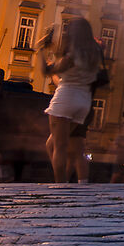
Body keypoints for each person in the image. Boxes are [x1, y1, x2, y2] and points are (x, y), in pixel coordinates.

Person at [38, 15, 102, 184]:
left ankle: (60, 186)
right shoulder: (94, 53)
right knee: (51, 144)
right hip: (83, 103)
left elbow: (47, 71)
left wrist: (40, 50)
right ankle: (65, 182)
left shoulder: (73, 55)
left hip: (65, 100)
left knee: (60, 147)